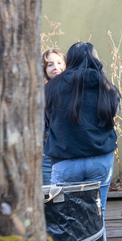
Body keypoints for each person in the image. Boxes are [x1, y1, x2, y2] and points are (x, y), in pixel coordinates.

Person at [45, 42, 120, 241]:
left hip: (65, 163)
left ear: (71, 60)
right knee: (98, 220)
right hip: (100, 161)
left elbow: (47, 124)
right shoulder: (107, 87)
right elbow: (110, 118)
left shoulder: (52, 88)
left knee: (63, 223)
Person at [41, 48, 66, 186]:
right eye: (50, 64)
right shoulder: (40, 92)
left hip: (69, 154)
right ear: (44, 69)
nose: (55, 67)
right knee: (48, 198)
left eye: (59, 63)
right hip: (47, 155)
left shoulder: (75, 89)